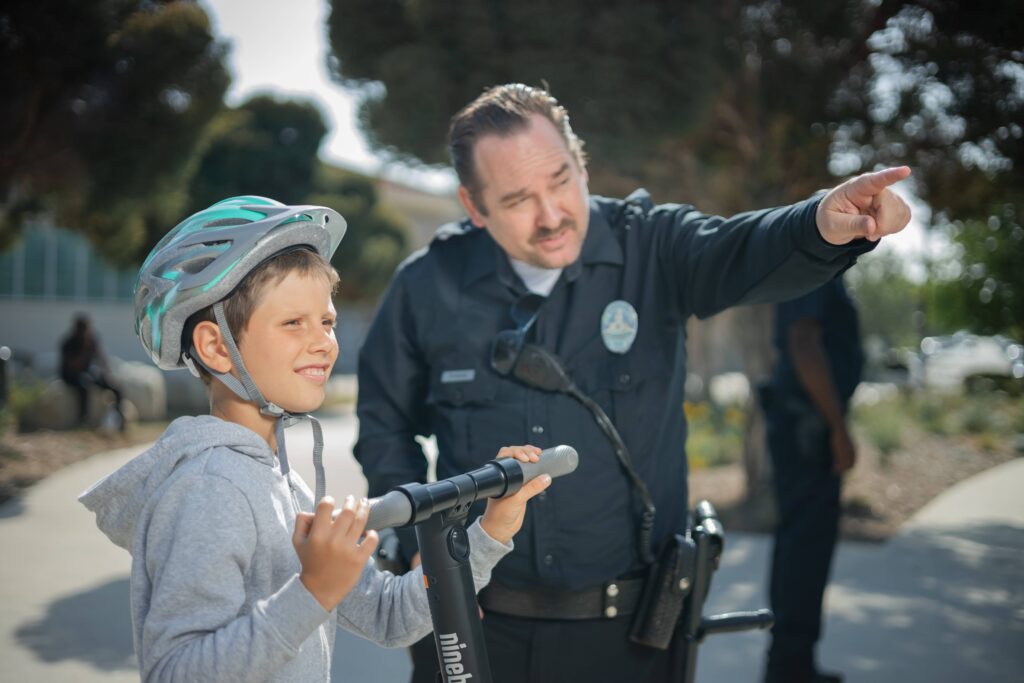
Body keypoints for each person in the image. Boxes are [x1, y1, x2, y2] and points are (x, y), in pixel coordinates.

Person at [354, 84, 911, 683]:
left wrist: (820, 223)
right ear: (474, 204)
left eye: (561, 181)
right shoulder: (425, 286)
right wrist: (421, 545)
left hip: (634, 639)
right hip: (479, 629)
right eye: (517, 199)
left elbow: (741, 251)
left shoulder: (652, 245)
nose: (551, 215)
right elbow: (385, 425)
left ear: (581, 163)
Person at [78, 196, 550, 683]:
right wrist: (313, 590)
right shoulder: (208, 488)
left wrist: (491, 532)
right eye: (293, 323)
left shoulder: (281, 484)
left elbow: (389, 617)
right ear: (216, 347)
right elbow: (178, 673)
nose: (324, 341)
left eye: (326, 321)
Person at [761, 277, 863, 683]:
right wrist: (837, 427)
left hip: (802, 425)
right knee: (806, 548)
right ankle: (789, 668)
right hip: (808, 428)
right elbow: (804, 344)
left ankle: (792, 664)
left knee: (801, 547)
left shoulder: (815, 266)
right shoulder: (814, 263)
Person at [59, 313, 125, 429]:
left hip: (87, 372)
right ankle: (83, 420)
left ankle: (119, 419)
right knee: (84, 387)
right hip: (70, 374)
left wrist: (107, 374)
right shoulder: (68, 343)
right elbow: (74, 365)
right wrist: (85, 348)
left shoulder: (92, 341)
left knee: (116, 387)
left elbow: (101, 359)